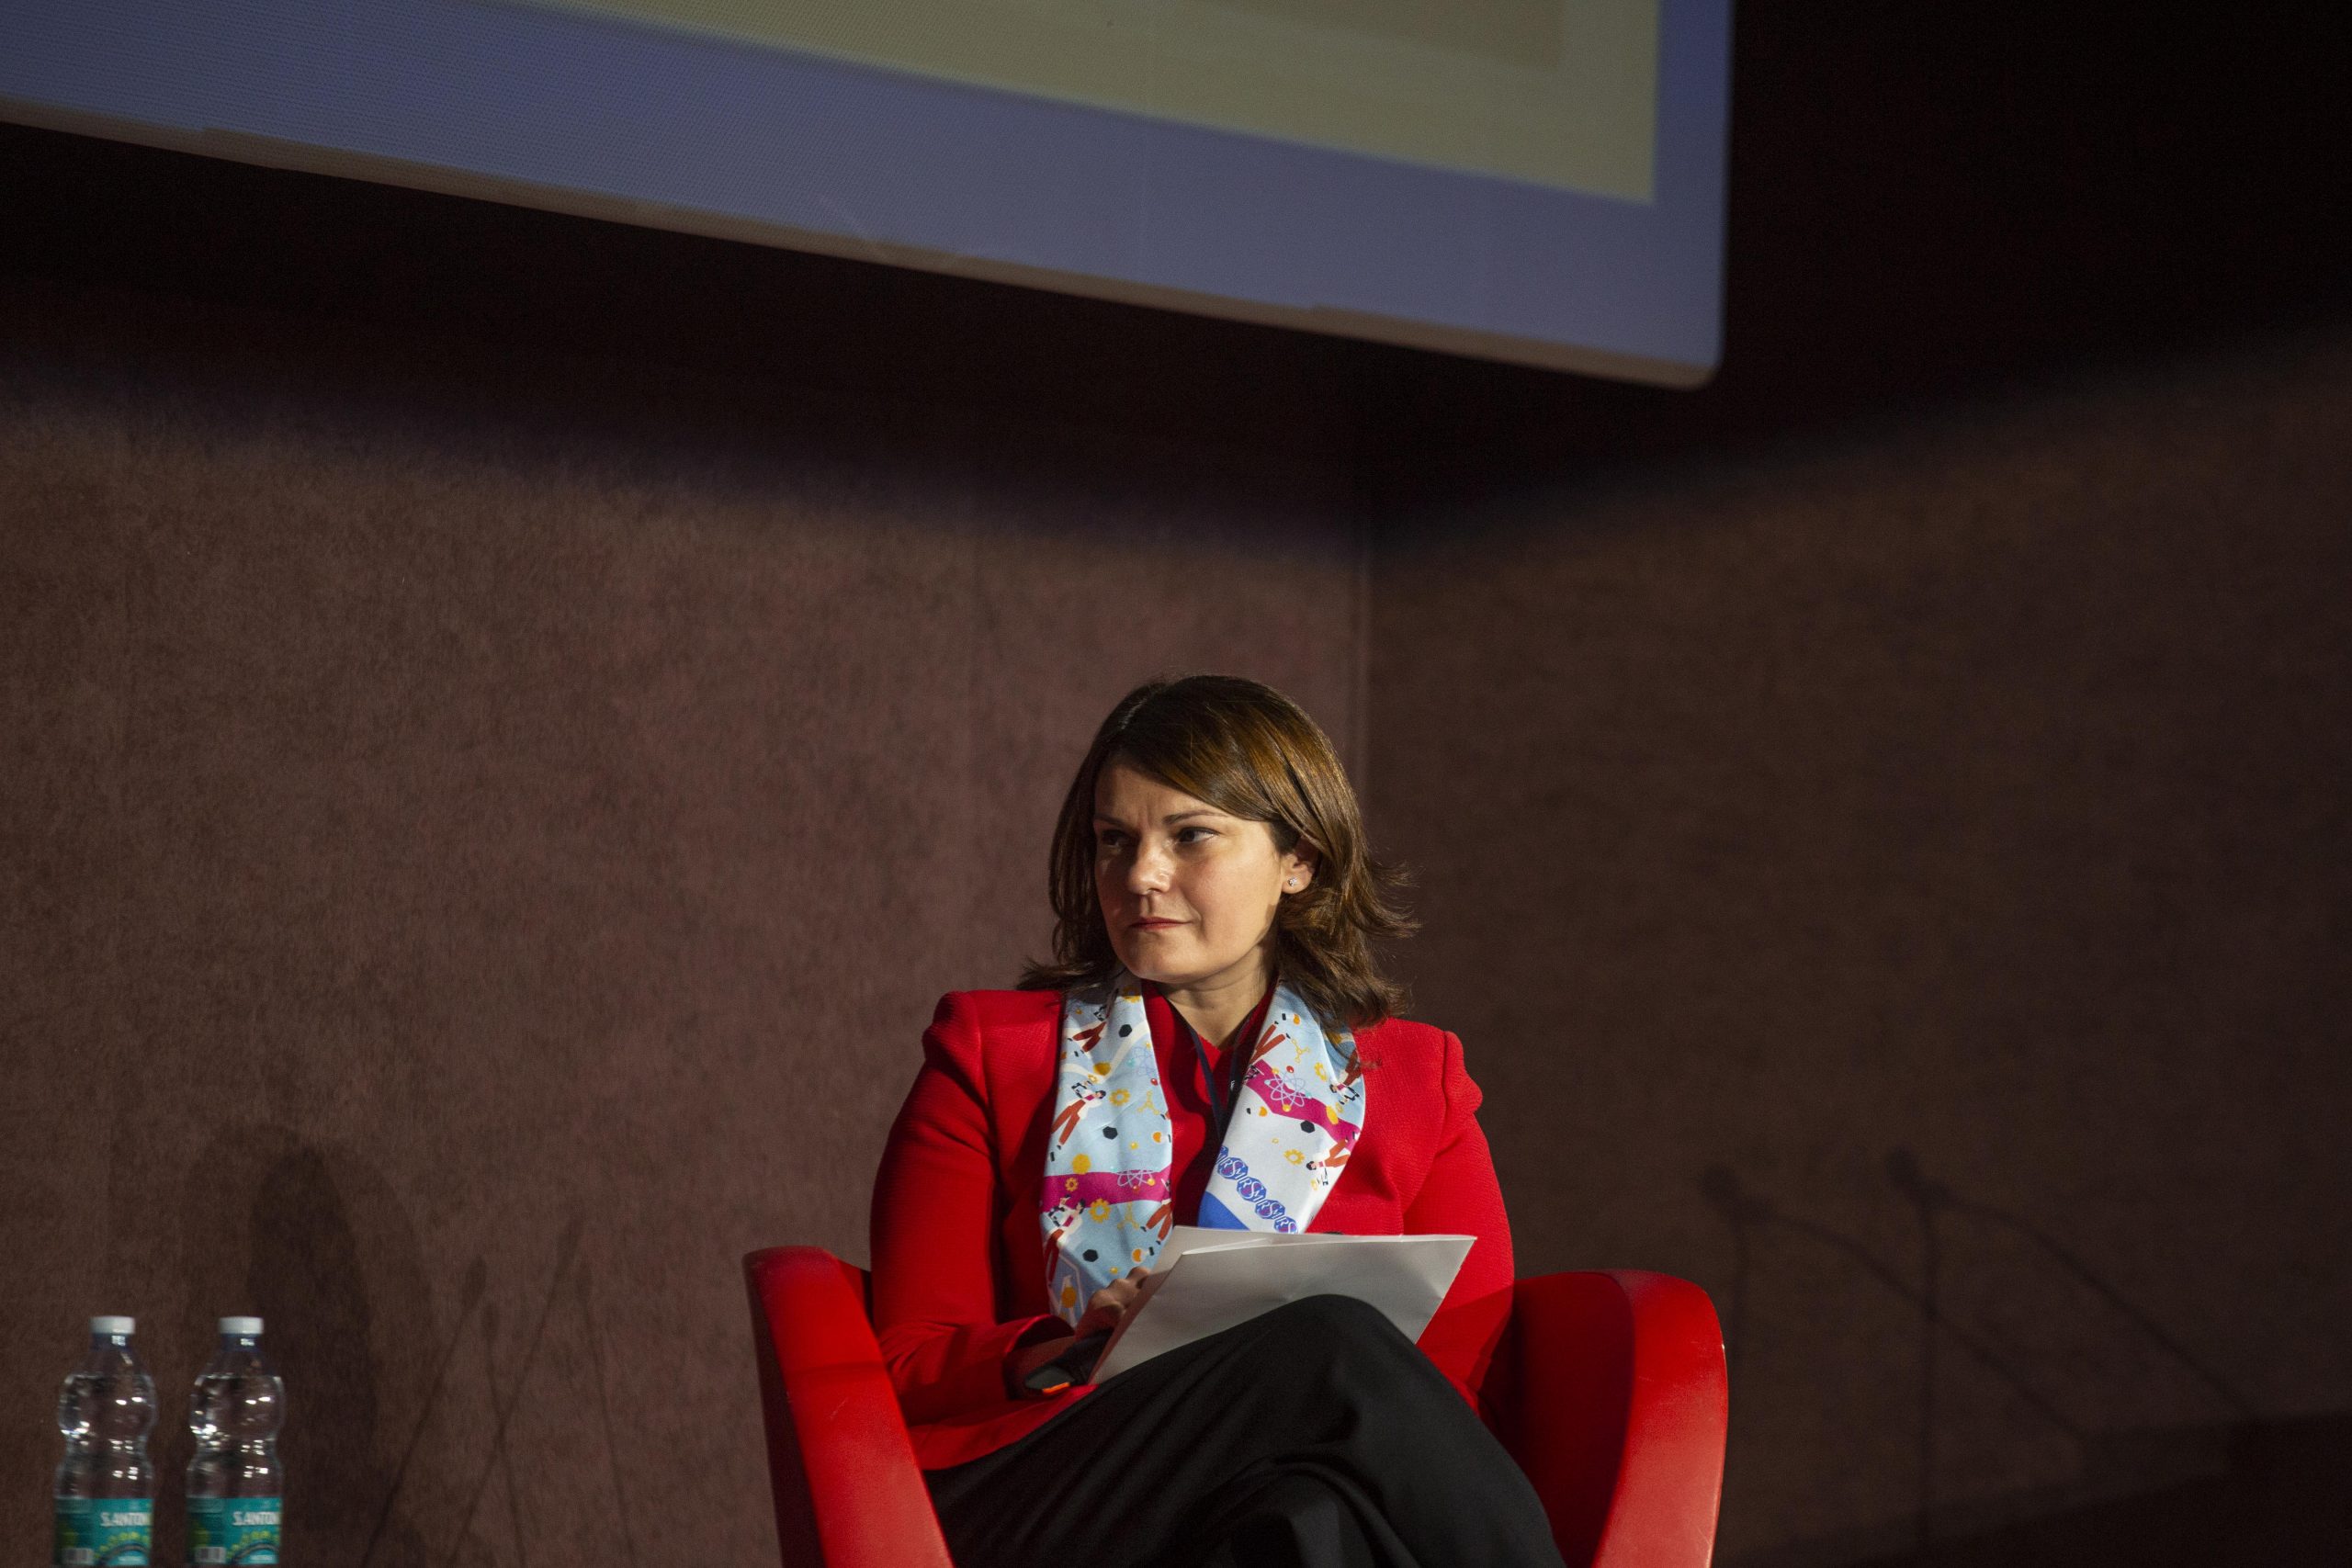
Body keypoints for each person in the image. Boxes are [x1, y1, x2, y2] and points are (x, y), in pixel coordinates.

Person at [870, 675, 1566, 1567]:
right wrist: (1067, 1343)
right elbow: (904, 1362)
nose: (1140, 876)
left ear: (1298, 861)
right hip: (1043, 1487)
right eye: (1114, 841)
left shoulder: (1416, 1076)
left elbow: (1458, 1390)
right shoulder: (990, 1052)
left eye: (1189, 835)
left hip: (1279, 1499)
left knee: (1310, 1515)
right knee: (1328, 1339)